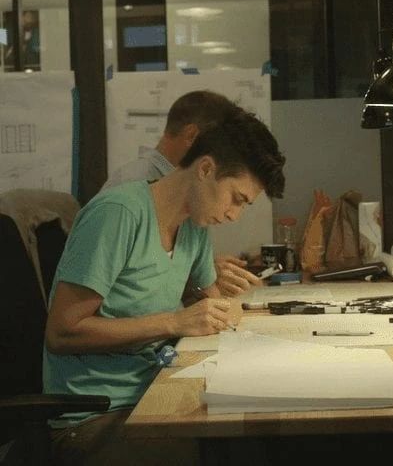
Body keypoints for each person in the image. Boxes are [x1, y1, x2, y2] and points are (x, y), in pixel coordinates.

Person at [43, 108, 286, 465]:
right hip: (97, 414)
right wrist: (174, 322)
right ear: (205, 169)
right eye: (237, 199)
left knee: (261, 436)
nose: (234, 215)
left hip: (157, 389)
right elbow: (61, 333)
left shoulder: (194, 227)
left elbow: (213, 306)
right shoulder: (117, 214)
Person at [101, 90, 262, 300]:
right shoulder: (130, 188)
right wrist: (196, 279)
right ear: (192, 136)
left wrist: (204, 271)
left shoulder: (194, 197)